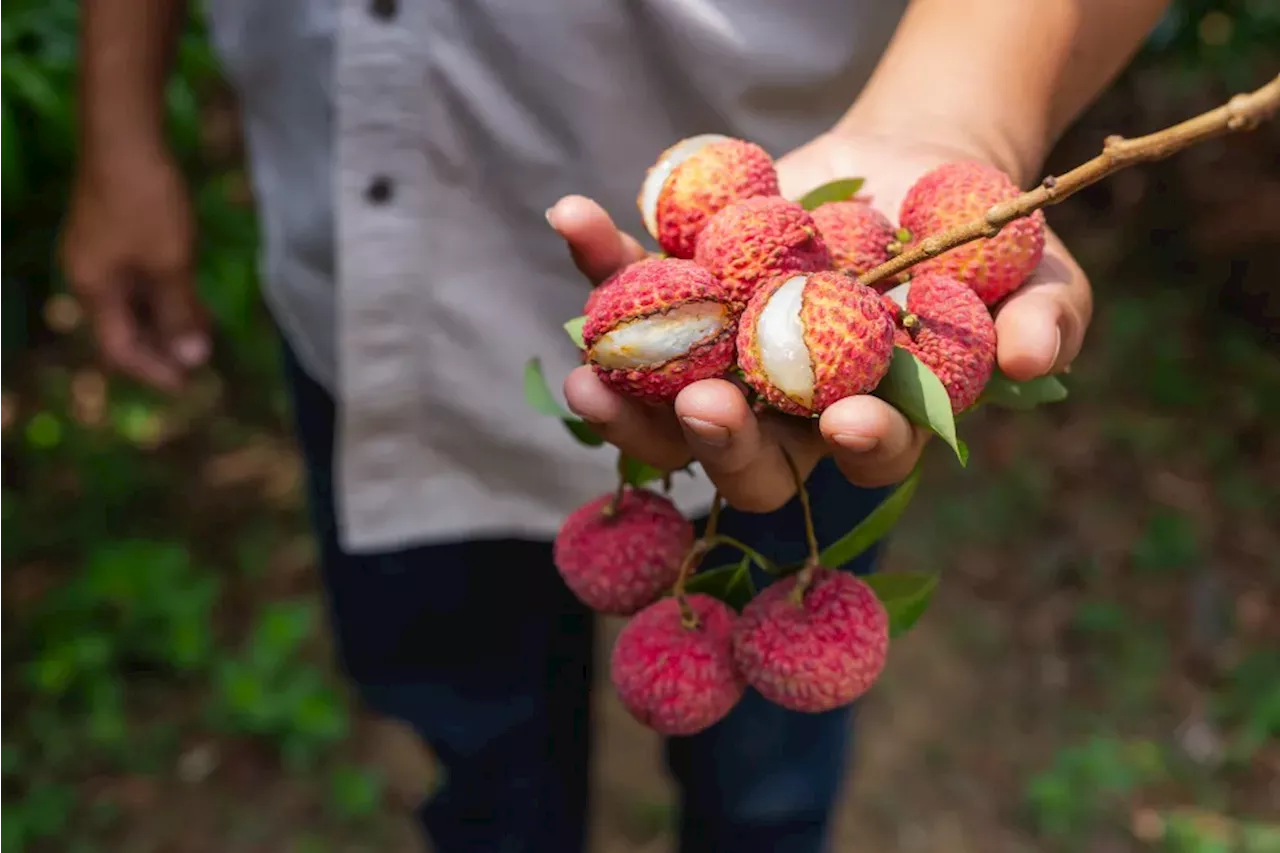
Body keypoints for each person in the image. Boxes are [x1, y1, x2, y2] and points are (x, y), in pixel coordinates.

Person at [60, 1, 1169, 850]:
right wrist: (116, 131)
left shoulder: (836, 315)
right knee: (468, 728)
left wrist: (949, 120)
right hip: (359, 290)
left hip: (809, 333)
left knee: (766, 779)